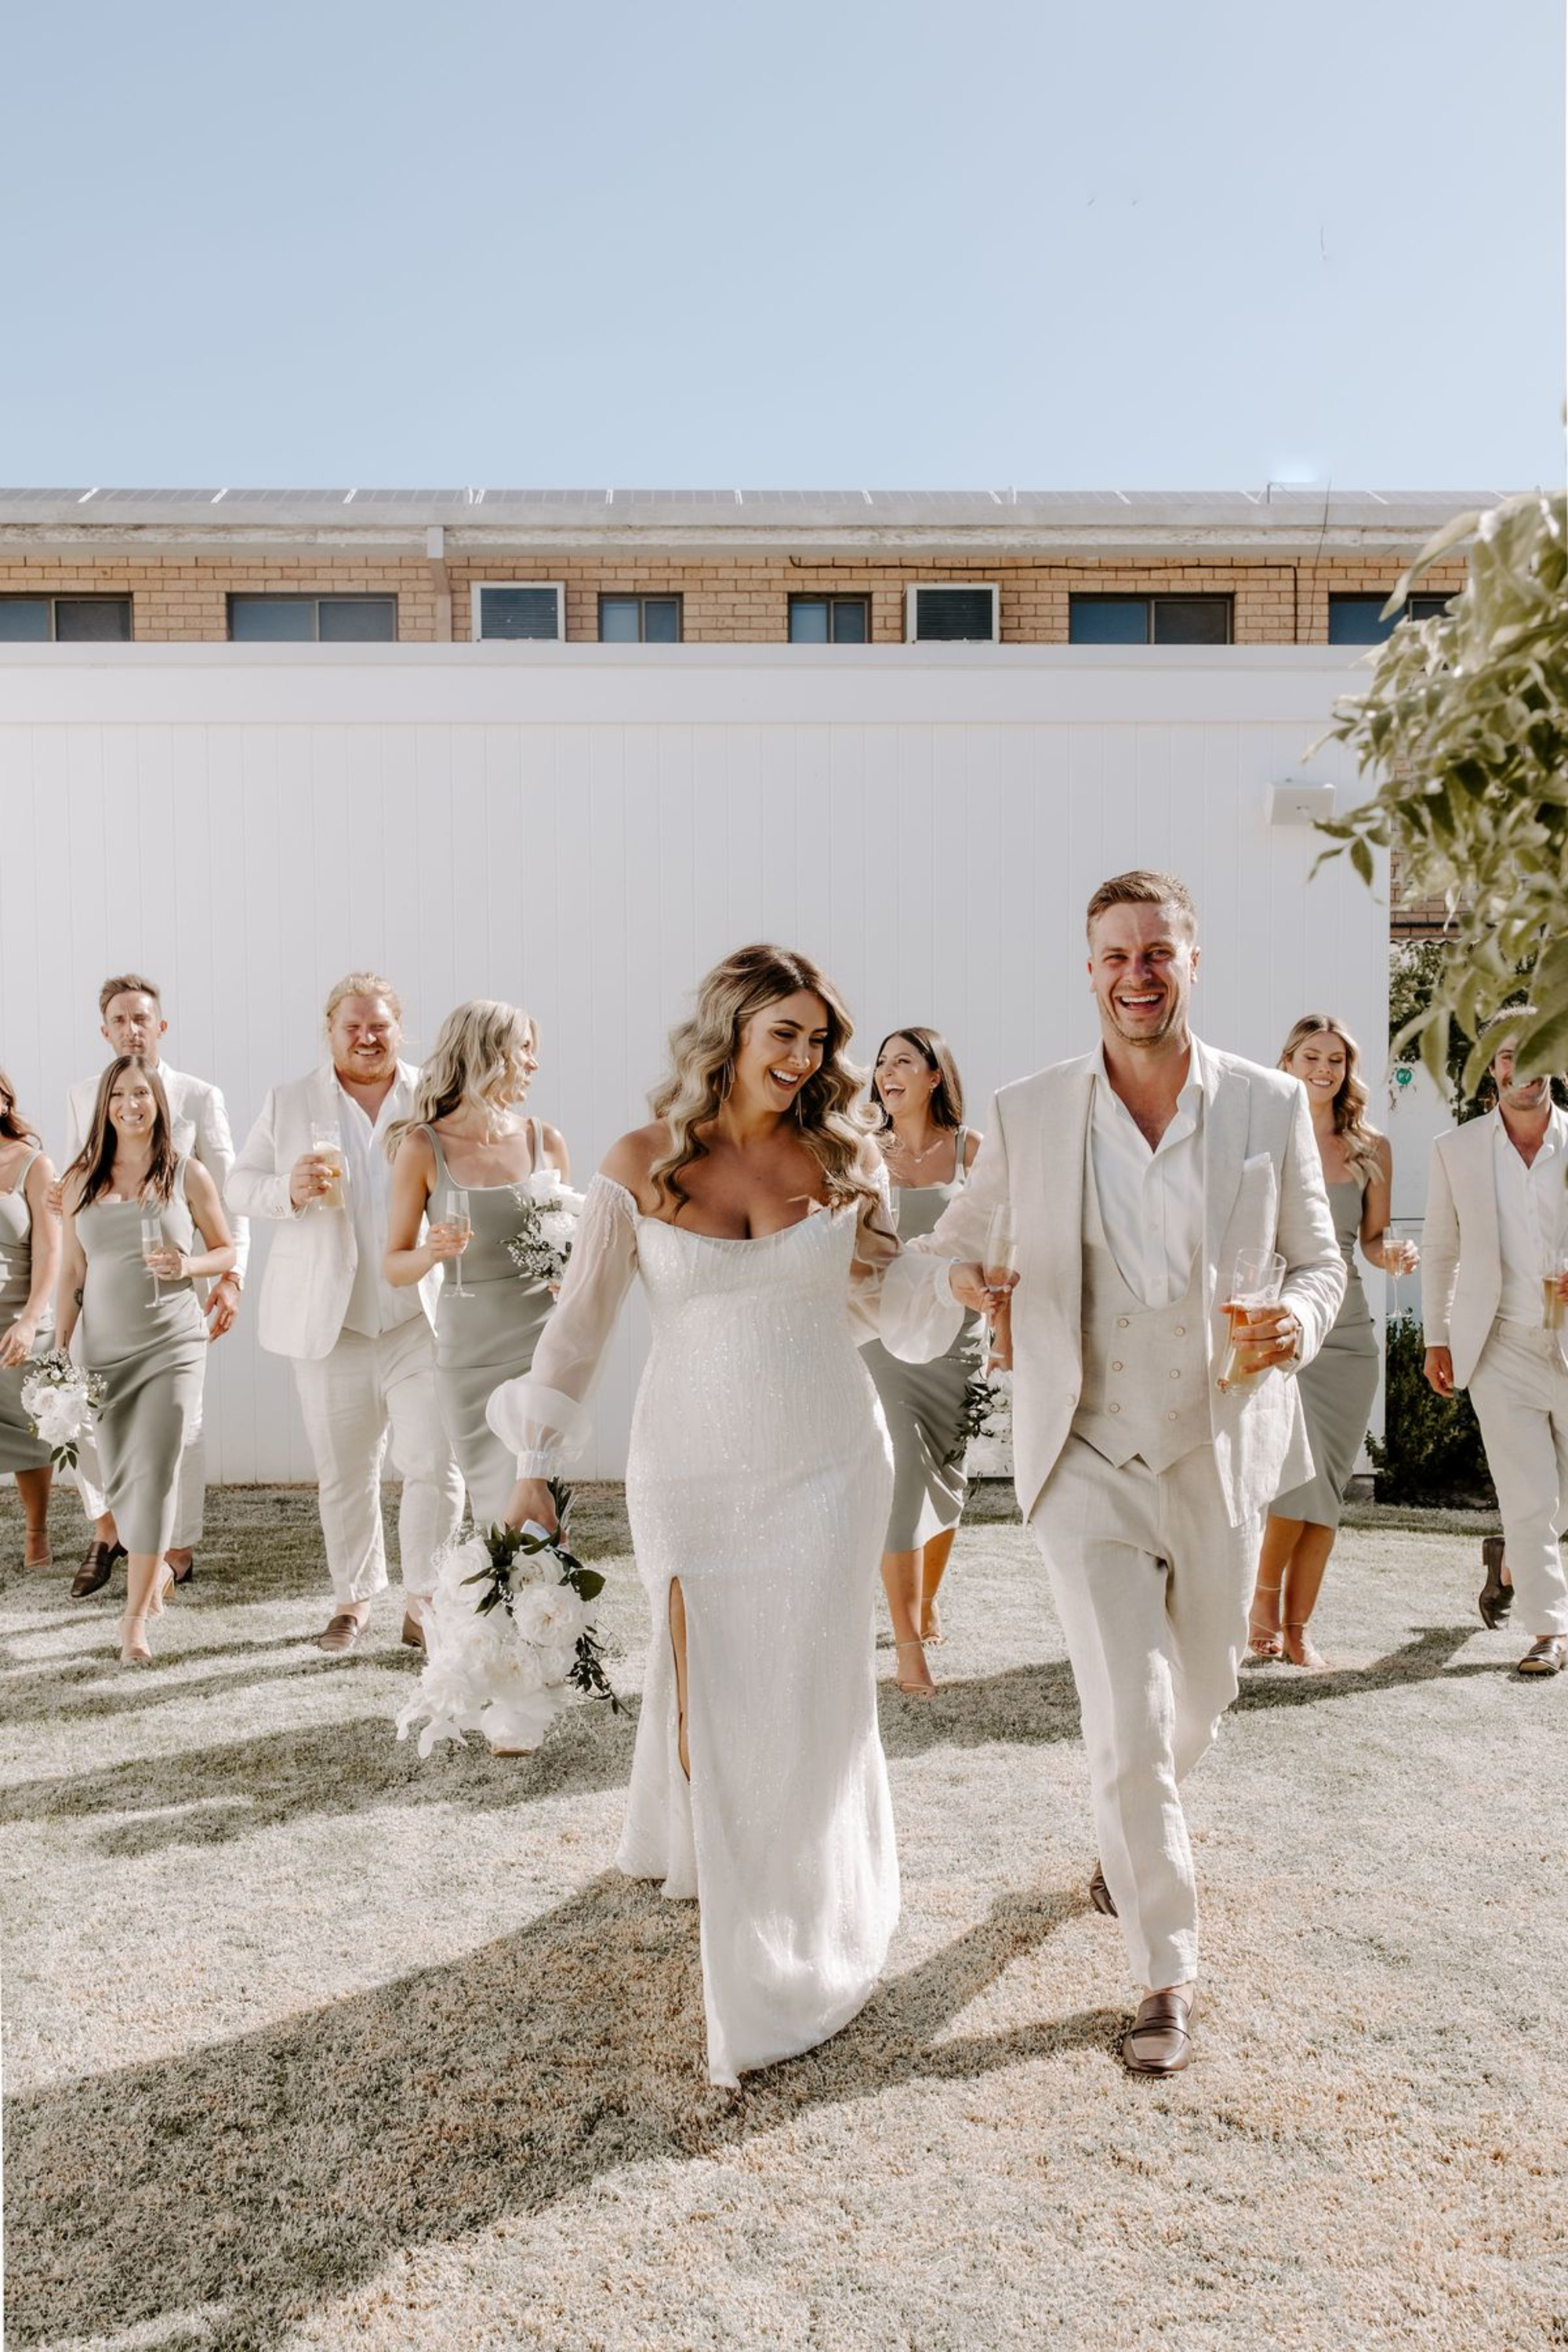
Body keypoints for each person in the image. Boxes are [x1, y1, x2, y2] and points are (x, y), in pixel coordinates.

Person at [486, 945, 966, 2089]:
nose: (805, 1059)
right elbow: (582, 1329)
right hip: (691, 1472)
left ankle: (786, 1937)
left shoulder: (845, 1158)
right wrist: (533, 1465)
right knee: (708, 1699)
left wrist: (955, 1279)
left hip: (829, 1465)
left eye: (818, 1040)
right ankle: (708, 1852)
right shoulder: (641, 1163)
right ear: (732, 1033)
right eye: (784, 1035)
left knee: (806, 1694)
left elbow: (883, 1309)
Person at [892, 871, 1345, 2075]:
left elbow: (1321, 1262)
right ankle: (1166, 1974)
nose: (1136, 974)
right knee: (1132, 1720)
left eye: (1158, 952)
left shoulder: (1266, 1105)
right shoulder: (1031, 1109)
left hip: (1218, 1443)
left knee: (1199, 1701)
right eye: (1114, 955)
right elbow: (953, 1241)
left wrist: (1296, 1323)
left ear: (1193, 960)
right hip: (1081, 1447)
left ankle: (1122, 1837)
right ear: (1087, 968)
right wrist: (957, 1280)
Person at [227, 973, 463, 1653]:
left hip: (420, 1313)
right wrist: (288, 1190)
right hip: (328, 1323)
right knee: (345, 1470)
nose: (367, 1037)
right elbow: (240, 1184)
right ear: (329, 1031)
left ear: (399, 1029)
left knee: (433, 1463)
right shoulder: (290, 1099)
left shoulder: (436, 1097)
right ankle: (353, 1600)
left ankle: (426, 1600)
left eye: (379, 1025)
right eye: (352, 1026)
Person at [60, 974, 248, 1599]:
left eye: (142, 1018)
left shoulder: (199, 1096)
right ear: (105, 1029)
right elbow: (78, 1194)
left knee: (180, 1429)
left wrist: (229, 1276)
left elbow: (227, 1194)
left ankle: (177, 1549)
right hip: (104, 1296)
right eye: (119, 1020)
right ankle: (109, 1529)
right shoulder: (84, 1095)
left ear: (160, 1025)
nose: (131, 1028)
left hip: (174, 1300)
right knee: (81, 1419)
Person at [1249, 1015, 1416, 1669]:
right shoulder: (1260, 1134)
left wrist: (1391, 1254)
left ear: (1349, 1070)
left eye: (1336, 1060)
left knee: (1326, 1492)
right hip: (1281, 1332)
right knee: (1294, 1482)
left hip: (1347, 1340)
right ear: (1287, 1060)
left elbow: (1372, 1241)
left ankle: (1297, 1628)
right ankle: (1261, 1611)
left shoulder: (1370, 1146)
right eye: (1311, 1056)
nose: (1324, 1069)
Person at [383, 1000, 570, 1528]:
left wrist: (569, 1270)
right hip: (467, 1357)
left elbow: (567, 1243)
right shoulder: (423, 1146)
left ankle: (541, 1610)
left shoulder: (545, 1140)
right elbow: (394, 1265)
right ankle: (471, 1610)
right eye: (524, 1051)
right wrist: (431, 1252)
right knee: (495, 1511)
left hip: (540, 1350)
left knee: (540, 1508)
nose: (533, 1064)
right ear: (489, 1055)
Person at [1421, 1016, 1568, 1677]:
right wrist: (1437, 1337)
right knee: (1529, 1493)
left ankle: (1507, 1561)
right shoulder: (1455, 1149)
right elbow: (1442, 1251)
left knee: (1550, 1503)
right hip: (1499, 1345)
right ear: (1492, 1067)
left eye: (1537, 1054)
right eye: (1509, 1056)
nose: (1522, 1068)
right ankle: (1548, 1631)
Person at [860, 1027, 982, 1695]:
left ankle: (927, 1601)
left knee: (947, 1477)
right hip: (882, 1338)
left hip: (958, 1339)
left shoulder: (974, 1150)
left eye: (903, 1061)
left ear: (936, 1075)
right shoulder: (861, 1152)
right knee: (903, 1477)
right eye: (881, 1063)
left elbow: (1006, 1235)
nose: (886, 1073)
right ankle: (909, 1651)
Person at [0, 1069, 60, 1566]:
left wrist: (29, 1319)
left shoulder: (34, 1164)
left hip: (20, 1322)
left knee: (29, 1432)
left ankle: (37, 1531)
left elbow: (50, 1252)